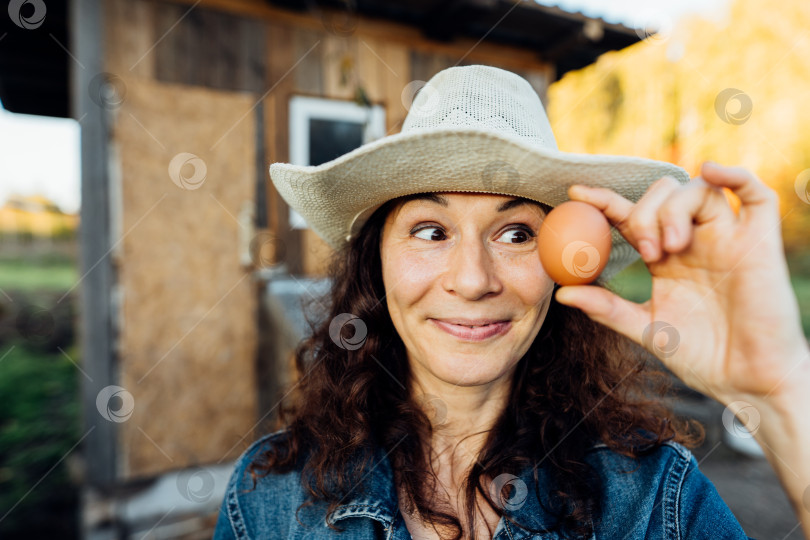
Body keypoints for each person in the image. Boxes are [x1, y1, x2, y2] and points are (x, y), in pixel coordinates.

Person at [213, 65, 810, 539]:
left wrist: (782, 393)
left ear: (560, 269)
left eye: (517, 233)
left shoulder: (654, 502)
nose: (473, 281)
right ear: (378, 262)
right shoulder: (266, 501)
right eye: (430, 230)